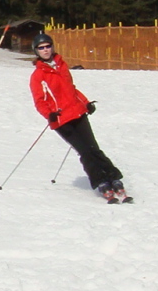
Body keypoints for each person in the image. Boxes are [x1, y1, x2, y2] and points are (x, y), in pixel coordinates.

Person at [29, 32, 127, 202]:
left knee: (93, 148)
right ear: (36, 51)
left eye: (48, 46)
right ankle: (101, 182)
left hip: (77, 112)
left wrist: (86, 102)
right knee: (85, 151)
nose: (45, 50)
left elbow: (71, 89)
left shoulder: (62, 66)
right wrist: (49, 114)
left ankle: (113, 178)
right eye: (41, 48)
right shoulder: (38, 76)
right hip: (61, 120)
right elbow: (39, 101)